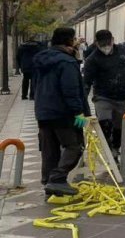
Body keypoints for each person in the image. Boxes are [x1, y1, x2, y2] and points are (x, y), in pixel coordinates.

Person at [33, 27, 91, 196]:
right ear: (68, 41)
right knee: (75, 145)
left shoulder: (41, 59)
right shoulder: (67, 62)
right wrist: (80, 114)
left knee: (49, 149)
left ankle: (48, 182)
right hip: (64, 113)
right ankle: (57, 179)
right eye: (73, 39)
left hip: (43, 112)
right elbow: (71, 91)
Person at [82, 30, 125, 162]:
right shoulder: (92, 59)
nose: (105, 46)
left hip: (121, 96)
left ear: (112, 40)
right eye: (102, 44)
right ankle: (108, 151)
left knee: (118, 126)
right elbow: (87, 81)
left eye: (107, 43)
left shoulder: (123, 51)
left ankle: (115, 149)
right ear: (97, 43)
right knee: (105, 123)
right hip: (102, 96)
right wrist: (82, 103)